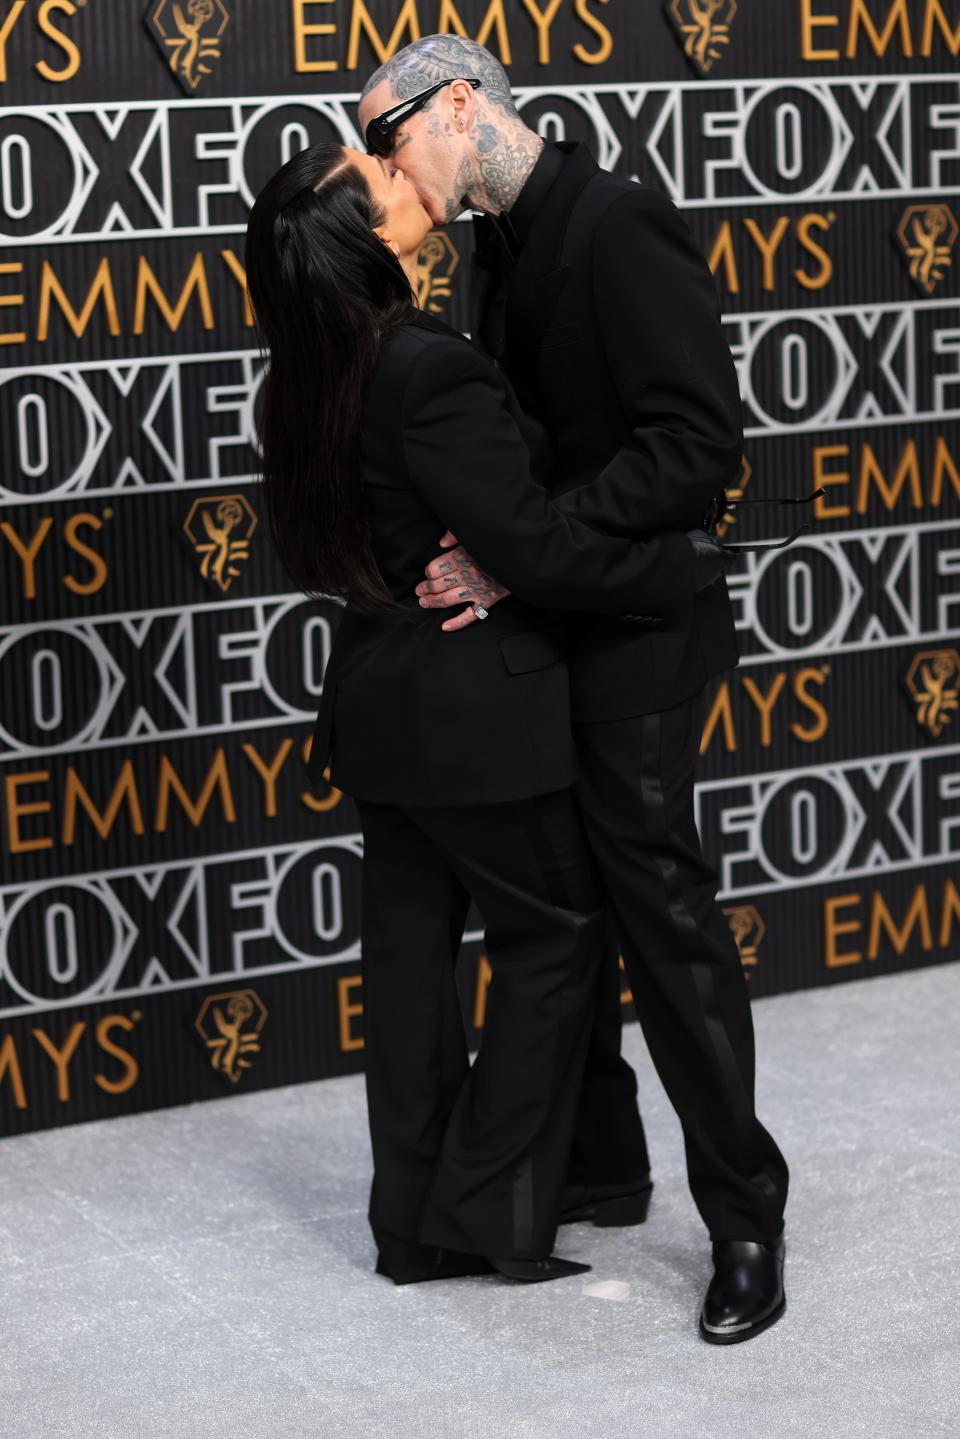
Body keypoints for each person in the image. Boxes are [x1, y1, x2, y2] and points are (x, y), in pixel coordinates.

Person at [358, 36, 789, 1343]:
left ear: (463, 104)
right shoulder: (491, 242)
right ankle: (603, 1163)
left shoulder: (618, 224)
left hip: (642, 629)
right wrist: (505, 546)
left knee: (660, 909)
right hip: (553, 624)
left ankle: (748, 1219)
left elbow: (698, 446)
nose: (392, 174)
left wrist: (526, 538)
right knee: (575, 898)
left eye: (395, 138)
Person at [244, 142, 732, 1288]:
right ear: (370, 238)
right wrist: (681, 566)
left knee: (409, 965)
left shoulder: (305, 371)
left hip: (378, 708)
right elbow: (532, 546)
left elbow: (327, 549)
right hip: (477, 711)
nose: (409, 172)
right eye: (384, 176)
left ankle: (410, 1224)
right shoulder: (426, 369)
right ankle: (490, 1211)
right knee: (556, 937)